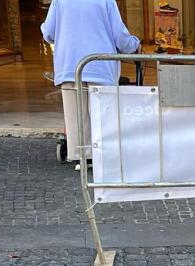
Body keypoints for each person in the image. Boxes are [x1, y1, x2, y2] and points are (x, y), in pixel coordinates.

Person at [41, 0, 140, 165]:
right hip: (100, 65)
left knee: (75, 116)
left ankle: (82, 156)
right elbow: (120, 37)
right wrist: (134, 45)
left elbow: (49, 33)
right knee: (102, 115)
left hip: (70, 65)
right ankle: (104, 155)